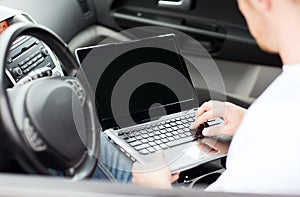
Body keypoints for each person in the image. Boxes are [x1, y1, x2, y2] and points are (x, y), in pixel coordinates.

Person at [131, 0, 300, 194]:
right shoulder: (282, 112)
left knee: (107, 152)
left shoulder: (278, 130)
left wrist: (155, 188)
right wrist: (248, 123)